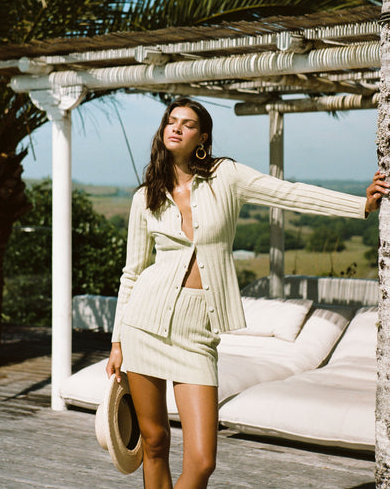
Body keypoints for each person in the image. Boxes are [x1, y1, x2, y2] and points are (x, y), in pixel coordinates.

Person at [107, 97, 387, 489]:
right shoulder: (145, 197)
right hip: (144, 326)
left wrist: (361, 204)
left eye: (188, 124)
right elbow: (132, 273)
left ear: (202, 138)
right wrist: (117, 341)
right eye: (171, 121)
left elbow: (288, 193)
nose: (177, 128)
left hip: (196, 332)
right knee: (154, 442)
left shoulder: (226, 176)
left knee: (202, 461)